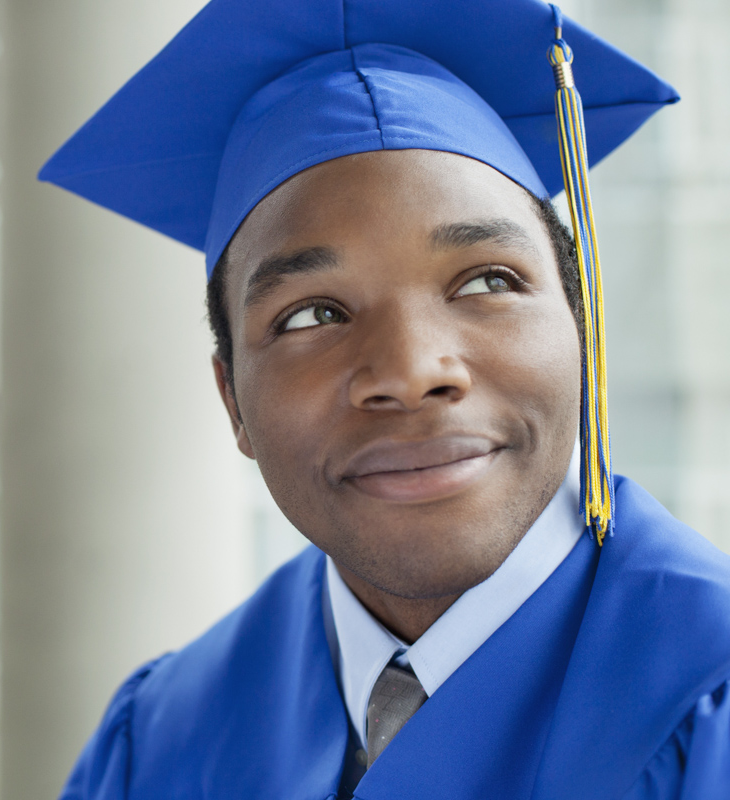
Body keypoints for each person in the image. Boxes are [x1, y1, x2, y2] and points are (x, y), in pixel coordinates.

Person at [39, 0, 730, 797]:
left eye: (486, 282)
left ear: (584, 330)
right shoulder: (165, 736)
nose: (409, 371)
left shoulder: (703, 701)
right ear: (233, 402)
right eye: (311, 315)